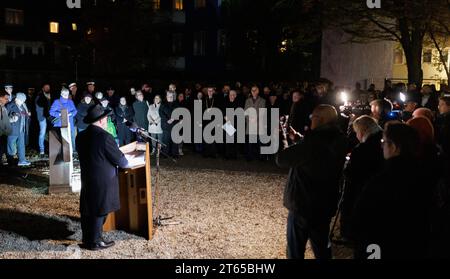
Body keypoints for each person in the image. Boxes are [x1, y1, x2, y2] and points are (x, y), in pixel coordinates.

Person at [276, 105, 348, 259]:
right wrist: (299, 139)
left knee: (295, 248)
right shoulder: (339, 138)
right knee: (322, 247)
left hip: (303, 203)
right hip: (324, 203)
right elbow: (316, 152)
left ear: (320, 120)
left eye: (312, 117)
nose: (311, 120)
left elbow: (282, 159)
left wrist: (283, 138)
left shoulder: (313, 141)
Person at [352, 123, 429, 259]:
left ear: (393, 147)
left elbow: (364, 222)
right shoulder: (426, 174)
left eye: (383, 141)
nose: (381, 146)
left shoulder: (382, 182)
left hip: (383, 248)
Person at [76, 104, 129, 251]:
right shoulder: (105, 137)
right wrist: (126, 161)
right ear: (100, 121)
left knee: (89, 210)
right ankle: (95, 242)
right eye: (105, 119)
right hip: (103, 181)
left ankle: (88, 239)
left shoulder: (80, 137)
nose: (107, 121)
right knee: (100, 211)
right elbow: (121, 161)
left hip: (87, 179)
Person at [340, 116, 384, 241]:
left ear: (363, 130)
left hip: (360, 189)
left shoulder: (362, 149)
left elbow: (351, 174)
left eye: (356, 132)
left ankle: (349, 235)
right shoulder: (383, 141)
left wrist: (347, 165)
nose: (356, 135)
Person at [6, 93, 31, 167]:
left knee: (21, 145)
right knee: (11, 144)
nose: (22, 102)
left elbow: (24, 114)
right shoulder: (10, 105)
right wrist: (11, 119)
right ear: (16, 99)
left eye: (23, 101)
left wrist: (27, 115)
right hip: (13, 129)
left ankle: (22, 160)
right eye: (21, 100)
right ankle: (10, 161)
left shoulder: (24, 106)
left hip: (21, 129)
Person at [244, 85, 266, 161]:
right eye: (252, 90)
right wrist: (250, 119)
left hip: (259, 124)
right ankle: (250, 157)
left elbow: (262, 112)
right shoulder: (247, 100)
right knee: (250, 142)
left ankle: (261, 157)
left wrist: (255, 119)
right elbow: (245, 112)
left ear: (258, 91)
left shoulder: (262, 101)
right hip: (250, 124)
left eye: (255, 90)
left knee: (260, 142)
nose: (253, 92)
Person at [160, 92, 179, 158]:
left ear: (173, 97)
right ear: (166, 96)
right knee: (166, 140)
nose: (170, 97)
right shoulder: (163, 104)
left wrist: (173, 119)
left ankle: (174, 154)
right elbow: (161, 113)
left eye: (171, 96)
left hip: (174, 124)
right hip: (166, 125)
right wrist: (167, 120)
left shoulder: (176, 104)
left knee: (174, 140)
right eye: (169, 96)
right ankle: (165, 153)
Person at [35, 84, 52, 156]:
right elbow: (39, 105)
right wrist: (47, 99)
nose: (47, 88)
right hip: (42, 117)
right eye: (46, 87)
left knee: (52, 133)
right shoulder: (39, 96)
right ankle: (42, 149)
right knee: (42, 133)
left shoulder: (51, 96)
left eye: (48, 87)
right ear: (43, 88)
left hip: (50, 117)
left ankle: (51, 148)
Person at [0, 91, 12, 166]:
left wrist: (11, 119)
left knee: (3, 147)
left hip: (4, 132)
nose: (7, 100)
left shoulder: (3, 107)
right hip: (1, 132)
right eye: (6, 98)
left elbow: (5, 119)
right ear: (0, 98)